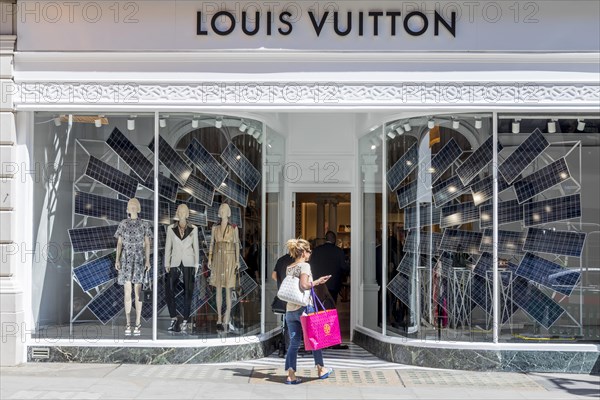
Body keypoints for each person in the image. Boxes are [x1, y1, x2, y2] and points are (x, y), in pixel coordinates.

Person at [283, 238, 333, 385]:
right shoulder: (304, 266)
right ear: (304, 252)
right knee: (315, 339)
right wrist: (318, 281)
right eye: (309, 251)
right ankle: (321, 369)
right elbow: (304, 285)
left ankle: (291, 375)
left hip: (290, 310)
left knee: (294, 343)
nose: (310, 253)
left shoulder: (290, 267)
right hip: (304, 308)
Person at [114, 198, 152, 336]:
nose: (133, 207)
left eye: (135, 205)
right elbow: (119, 243)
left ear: (139, 208)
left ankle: (138, 322)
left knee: (138, 292)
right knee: (127, 292)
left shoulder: (144, 224)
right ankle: (128, 322)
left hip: (139, 259)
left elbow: (147, 244)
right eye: (130, 205)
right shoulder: (123, 224)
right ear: (127, 209)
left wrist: (147, 260)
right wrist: (117, 259)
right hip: (126, 258)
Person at [164, 204, 199, 333]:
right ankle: (173, 318)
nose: (182, 213)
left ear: (187, 214)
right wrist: (166, 263)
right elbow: (168, 247)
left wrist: (196, 264)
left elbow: (196, 247)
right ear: (177, 213)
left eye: (185, 211)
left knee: (188, 291)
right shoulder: (171, 229)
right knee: (169, 290)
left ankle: (185, 320)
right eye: (180, 211)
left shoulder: (193, 229)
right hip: (175, 261)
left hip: (189, 262)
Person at [208, 203, 240, 333]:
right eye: (221, 209)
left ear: (229, 213)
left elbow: (237, 244)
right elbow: (211, 243)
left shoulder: (233, 228)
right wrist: (210, 258)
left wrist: (237, 260)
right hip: (217, 258)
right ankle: (219, 318)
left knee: (228, 288)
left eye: (225, 210)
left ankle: (227, 316)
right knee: (218, 288)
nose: (222, 211)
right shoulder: (215, 228)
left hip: (229, 259)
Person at [309, 231, 348, 306]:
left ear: (325, 239)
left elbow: (311, 266)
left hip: (318, 284)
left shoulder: (317, 250)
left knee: (319, 306)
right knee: (331, 306)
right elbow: (343, 267)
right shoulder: (339, 251)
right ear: (334, 239)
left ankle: (320, 318)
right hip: (333, 284)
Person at [271, 252, 294, 357]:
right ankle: (288, 348)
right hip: (293, 297)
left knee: (285, 322)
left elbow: (273, 275)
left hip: (282, 296)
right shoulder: (297, 261)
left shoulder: (281, 259)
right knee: (291, 323)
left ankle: (283, 347)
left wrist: (281, 283)